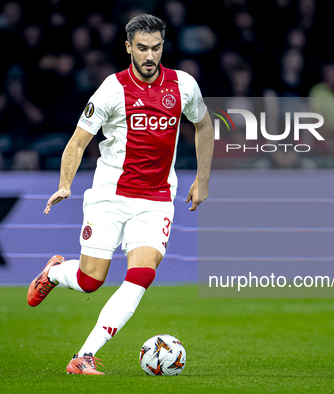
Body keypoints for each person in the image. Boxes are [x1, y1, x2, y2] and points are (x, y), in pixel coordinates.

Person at [26, 14, 213, 375]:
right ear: (128, 47)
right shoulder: (112, 89)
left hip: (156, 199)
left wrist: (202, 179)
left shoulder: (183, 85)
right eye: (142, 48)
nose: (149, 56)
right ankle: (53, 274)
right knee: (89, 280)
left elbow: (204, 125)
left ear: (163, 46)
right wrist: (65, 184)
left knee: (142, 274)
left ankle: (84, 356)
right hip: (110, 197)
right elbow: (78, 141)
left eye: (156, 48)